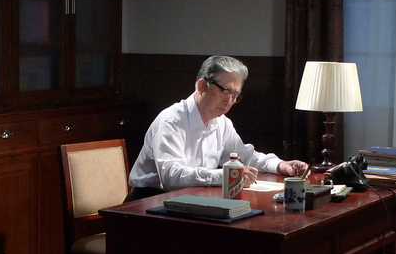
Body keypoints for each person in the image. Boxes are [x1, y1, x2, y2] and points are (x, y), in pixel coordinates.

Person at [126, 55, 308, 201]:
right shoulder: (172, 121)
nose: (229, 101)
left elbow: (245, 156)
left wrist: (280, 165)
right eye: (225, 91)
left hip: (193, 198)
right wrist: (227, 176)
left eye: (235, 95)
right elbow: (171, 178)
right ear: (202, 85)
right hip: (149, 202)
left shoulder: (221, 122)